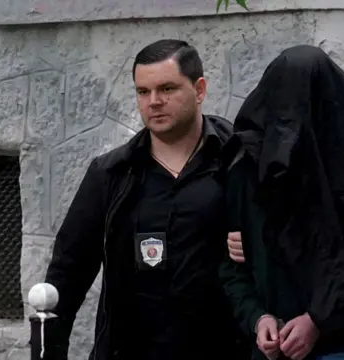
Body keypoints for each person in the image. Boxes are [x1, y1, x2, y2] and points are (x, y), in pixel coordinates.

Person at [44, 39, 248, 359]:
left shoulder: (239, 162)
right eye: (143, 91)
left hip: (226, 348)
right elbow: (68, 272)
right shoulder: (111, 174)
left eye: (167, 88)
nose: (154, 101)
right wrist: (48, 351)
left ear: (199, 90)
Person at [219, 45, 344, 360]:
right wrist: (257, 318)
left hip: (337, 344)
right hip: (266, 347)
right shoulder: (248, 166)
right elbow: (231, 265)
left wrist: (318, 320)